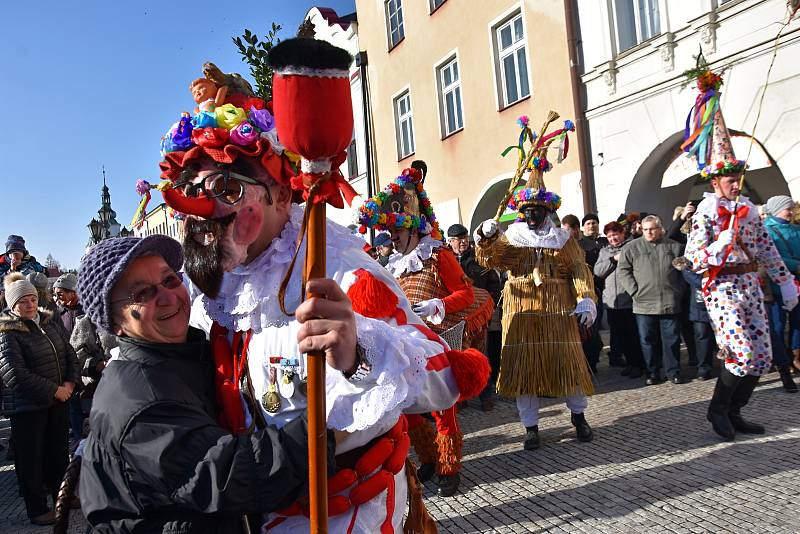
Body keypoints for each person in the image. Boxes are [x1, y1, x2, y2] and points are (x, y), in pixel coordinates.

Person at [152, 58, 466, 532]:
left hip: (341, 511)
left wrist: (358, 352)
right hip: (248, 505)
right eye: (189, 188)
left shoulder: (340, 268)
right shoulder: (212, 285)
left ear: (280, 195)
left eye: (226, 188)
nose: (202, 208)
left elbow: (445, 377)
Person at [76, 235, 333, 532]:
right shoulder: (140, 399)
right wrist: (326, 428)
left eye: (170, 280)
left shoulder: (185, 355)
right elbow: (226, 478)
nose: (168, 297)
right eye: (142, 294)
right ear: (115, 322)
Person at [357, 168, 492, 497]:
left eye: (396, 230)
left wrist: (436, 305)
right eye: (389, 231)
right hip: (405, 338)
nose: (392, 237)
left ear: (412, 228)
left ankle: (450, 466)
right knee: (407, 402)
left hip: (439, 334)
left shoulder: (438, 255)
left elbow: (466, 294)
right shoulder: (393, 264)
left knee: (442, 404)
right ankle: (429, 456)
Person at [682, 65, 798, 440]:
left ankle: (735, 412)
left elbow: (766, 248)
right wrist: (718, 244)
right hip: (722, 288)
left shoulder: (748, 210)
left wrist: (784, 283)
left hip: (751, 284)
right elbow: (693, 259)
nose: (735, 182)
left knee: (762, 355)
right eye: (728, 177)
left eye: (737, 176)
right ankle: (717, 411)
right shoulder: (705, 212)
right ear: (715, 180)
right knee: (741, 352)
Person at [475, 114, 595, 451]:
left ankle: (579, 417)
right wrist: (485, 238)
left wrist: (586, 298)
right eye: (526, 210)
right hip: (521, 304)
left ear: (547, 210)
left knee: (568, 362)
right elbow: (491, 258)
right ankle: (531, 426)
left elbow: (579, 270)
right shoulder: (512, 237)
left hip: (558, 306)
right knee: (523, 369)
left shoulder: (563, 238)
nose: (531, 216)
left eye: (537, 210)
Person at [0, 273, 79, 526]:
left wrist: (69, 383)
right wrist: (54, 390)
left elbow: (69, 353)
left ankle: (61, 496)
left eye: (32, 298)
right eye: (23, 300)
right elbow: (14, 373)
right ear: (12, 305)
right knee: (31, 459)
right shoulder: (6, 331)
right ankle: (36, 508)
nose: (30, 304)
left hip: (58, 400)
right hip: (28, 406)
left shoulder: (48, 322)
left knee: (58, 451)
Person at [617, 215, 686, 385]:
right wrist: (634, 291)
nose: (648, 232)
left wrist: (678, 291)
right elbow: (623, 271)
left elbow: (685, 271)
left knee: (671, 340)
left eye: (652, 229)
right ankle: (653, 372)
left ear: (660, 228)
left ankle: (673, 372)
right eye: (645, 229)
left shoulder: (674, 246)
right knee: (647, 341)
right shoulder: (631, 248)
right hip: (643, 303)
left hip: (669, 300)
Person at [447, 223, 503, 411]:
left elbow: (494, 284)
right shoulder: (445, 260)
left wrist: (490, 305)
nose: (463, 241)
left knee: (480, 355)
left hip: (478, 317)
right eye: (458, 239)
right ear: (451, 241)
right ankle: (461, 396)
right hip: (455, 319)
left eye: (465, 237)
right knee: (458, 356)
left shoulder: (479, 259)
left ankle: (485, 394)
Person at [594, 221, 644, 378]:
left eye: (615, 234)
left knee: (634, 335)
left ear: (623, 233)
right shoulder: (604, 252)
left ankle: (638, 364)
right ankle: (630, 363)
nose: (612, 238)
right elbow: (598, 271)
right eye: (609, 236)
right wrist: (613, 260)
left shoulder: (632, 246)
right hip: (612, 301)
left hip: (630, 300)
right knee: (621, 336)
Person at [763, 195, 800, 392]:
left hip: (797, 284)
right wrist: (796, 265)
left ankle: (796, 357)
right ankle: (782, 366)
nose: (791, 211)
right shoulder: (767, 231)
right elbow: (772, 256)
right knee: (777, 327)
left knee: (798, 323)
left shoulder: (796, 229)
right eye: (788, 208)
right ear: (777, 209)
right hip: (777, 286)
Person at [52, 272, 87, 445]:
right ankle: (79, 440)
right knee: (73, 405)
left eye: (60, 293)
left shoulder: (86, 310)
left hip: (88, 366)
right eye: (55, 294)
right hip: (68, 366)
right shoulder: (58, 313)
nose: (57, 298)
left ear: (73, 291)